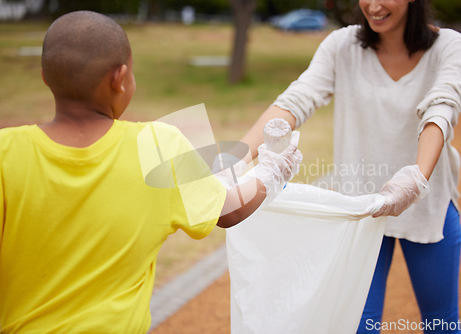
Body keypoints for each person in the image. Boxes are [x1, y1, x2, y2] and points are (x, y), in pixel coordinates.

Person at [0, 11, 302, 333]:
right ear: (120, 78)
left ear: (45, 76)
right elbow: (228, 210)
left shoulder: (5, 151)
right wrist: (271, 170)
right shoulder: (158, 142)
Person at [240, 0, 461, 333]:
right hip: (361, 208)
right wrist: (236, 159)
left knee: (441, 324)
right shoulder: (341, 46)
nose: (373, 5)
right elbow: (296, 100)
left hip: (427, 207)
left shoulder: (450, 46)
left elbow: (441, 108)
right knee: (359, 325)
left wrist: (417, 178)